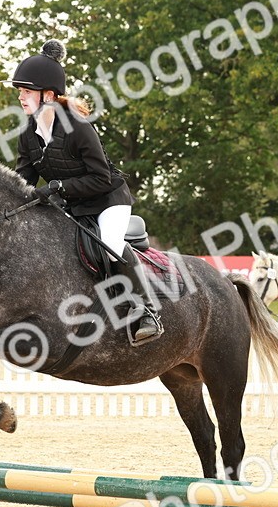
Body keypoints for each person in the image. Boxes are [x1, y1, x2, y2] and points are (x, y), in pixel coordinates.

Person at [10, 39, 163, 346]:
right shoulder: (29, 134)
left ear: (49, 95)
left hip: (109, 200)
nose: (20, 96)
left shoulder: (78, 128)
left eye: (27, 91)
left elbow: (102, 178)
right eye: (20, 91)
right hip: (73, 206)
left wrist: (58, 187)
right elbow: (23, 179)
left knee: (108, 245)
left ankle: (145, 312)